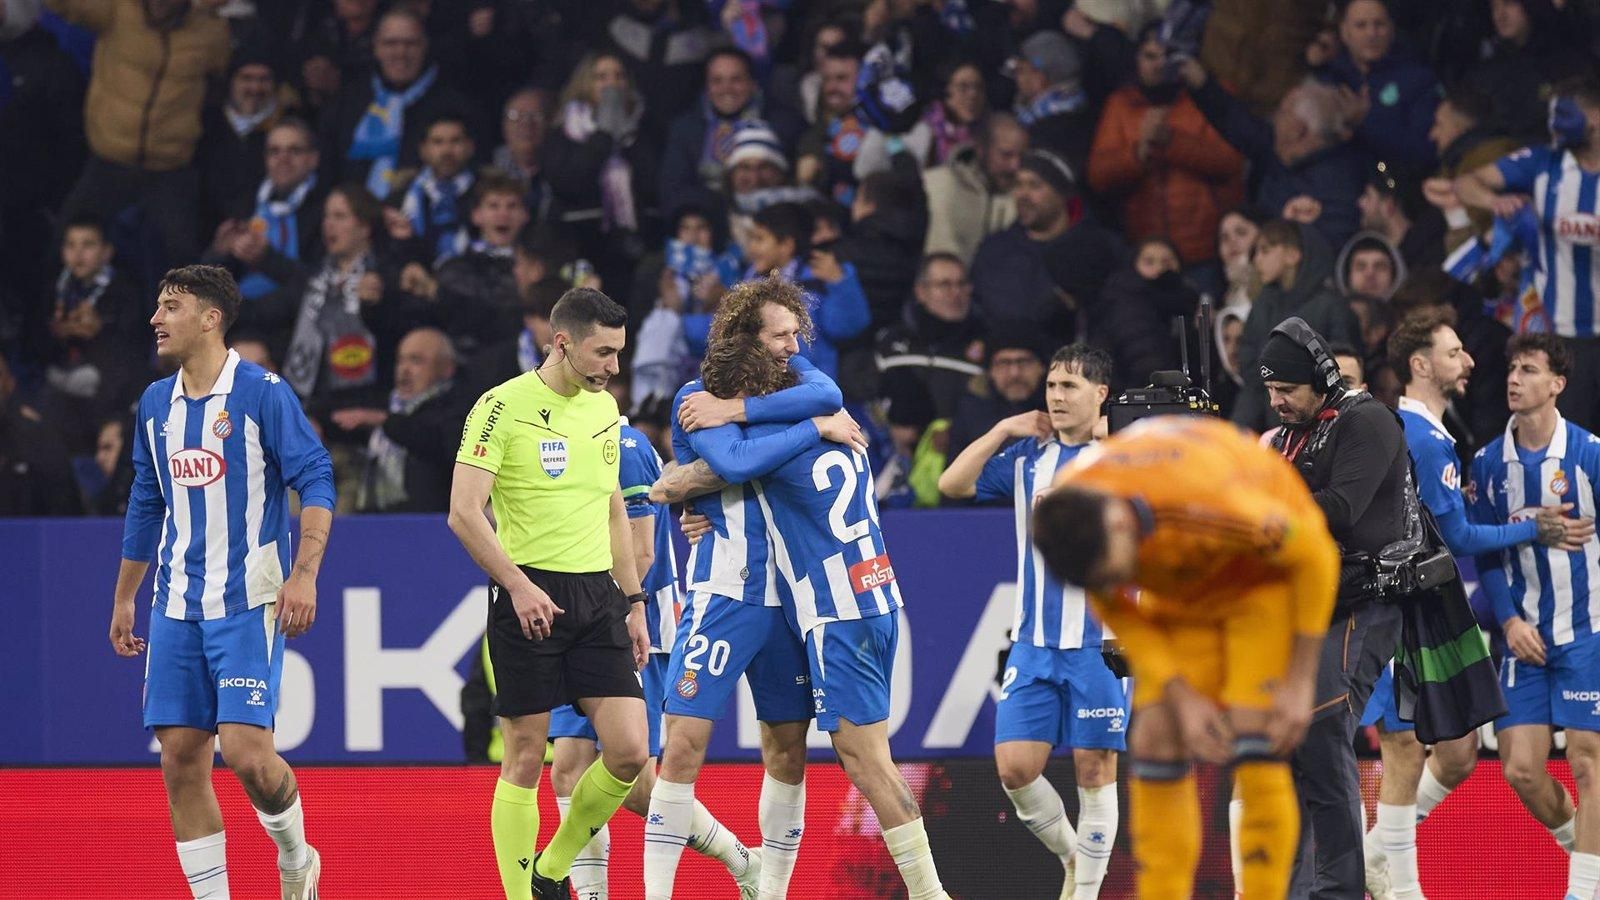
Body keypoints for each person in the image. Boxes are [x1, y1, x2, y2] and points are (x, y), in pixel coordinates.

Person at [662, 330, 955, 900]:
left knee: (866, 763)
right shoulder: (832, 413)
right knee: (860, 757)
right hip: (872, 593)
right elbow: (815, 398)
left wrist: (669, 488)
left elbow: (722, 465)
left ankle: (930, 895)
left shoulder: (777, 435)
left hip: (836, 608)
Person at [1031, 415, 1339, 900]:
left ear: (1120, 520)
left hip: (1257, 585)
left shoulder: (1212, 504)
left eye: (1121, 567)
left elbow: (1317, 558)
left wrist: (1301, 681)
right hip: (1177, 597)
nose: (1120, 577)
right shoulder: (1073, 510)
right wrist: (1180, 694)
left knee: (1255, 733)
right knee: (1156, 734)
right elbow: (1118, 607)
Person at [110, 265, 334, 900]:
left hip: (247, 601)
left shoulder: (262, 393)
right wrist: (127, 594)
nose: (156, 318)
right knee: (180, 755)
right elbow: (146, 500)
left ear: (210, 319)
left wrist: (305, 575)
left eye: (171, 305)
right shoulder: (155, 405)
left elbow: (315, 478)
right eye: (157, 305)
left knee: (246, 755)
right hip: (175, 603)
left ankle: (297, 856)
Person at [643, 276, 863, 900]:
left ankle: (771, 891)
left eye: (798, 333)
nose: (793, 347)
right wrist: (816, 430)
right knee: (683, 743)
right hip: (723, 593)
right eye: (780, 336)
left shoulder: (799, 386)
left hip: (792, 599)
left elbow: (832, 391)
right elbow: (737, 464)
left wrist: (741, 422)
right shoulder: (696, 396)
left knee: (787, 749)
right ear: (746, 339)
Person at [1361, 310, 1590, 900]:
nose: (1475, 364)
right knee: (1413, 746)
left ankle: (1372, 860)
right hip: (1414, 614)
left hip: (1497, 619)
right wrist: (1532, 533)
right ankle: (1382, 873)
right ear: (1422, 365)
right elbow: (1463, 540)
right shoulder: (1443, 446)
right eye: (1456, 352)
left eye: (1526, 367)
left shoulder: (1444, 437)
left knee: (1458, 749)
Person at [449, 287, 652, 900]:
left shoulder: (604, 409)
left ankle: (551, 869)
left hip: (599, 599)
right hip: (528, 595)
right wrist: (516, 585)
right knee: (525, 756)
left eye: (619, 353)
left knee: (628, 752)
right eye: (603, 353)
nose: (613, 367)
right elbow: (463, 512)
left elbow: (613, 509)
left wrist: (634, 600)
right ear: (561, 342)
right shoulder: (500, 407)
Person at [544, 415, 759, 900]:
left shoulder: (627, 445)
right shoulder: (552, 439)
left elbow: (641, 553)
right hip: (577, 625)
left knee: (639, 788)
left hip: (634, 627)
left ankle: (742, 860)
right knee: (568, 769)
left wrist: (614, 613)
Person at [937, 344, 1124, 899]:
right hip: (1033, 642)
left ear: (1102, 395)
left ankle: (1086, 892)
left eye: (1070, 386)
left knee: (1095, 771)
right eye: (1051, 386)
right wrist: (1002, 430)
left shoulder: (1127, 458)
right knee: (1016, 770)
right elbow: (952, 484)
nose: (1057, 397)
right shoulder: (1026, 461)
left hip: (1102, 642)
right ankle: (1074, 860)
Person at [1256, 318, 1413, 898]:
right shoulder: (1295, 432)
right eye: (1270, 391)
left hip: (1361, 605)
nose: (1276, 403)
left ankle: (1340, 890)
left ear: (1321, 378)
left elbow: (1342, 508)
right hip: (1306, 607)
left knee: (1322, 733)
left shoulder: (1367, 420)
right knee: (1291, 748)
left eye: (1287, 391)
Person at [1468, 332, 1600, 900]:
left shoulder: (1590, 455)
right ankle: (1587, 857)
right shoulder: (1486, 462)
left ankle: (1583, 890)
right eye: (1511, 369)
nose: (1514, 379)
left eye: (1528, 370)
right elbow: (1484, 551)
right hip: (1524, 636)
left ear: (1557, 384)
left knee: (1588, 761)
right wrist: (1509, 622)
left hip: (1588, 632)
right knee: (1521, 769)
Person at [1454, 78, 1600, 433]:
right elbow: (1466, 182)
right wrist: (1495, 202)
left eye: (1571, 111)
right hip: (1559, 334)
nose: (1558, 121)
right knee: (1561, 441)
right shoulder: (1541, 163)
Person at [49, 0, 231, 265]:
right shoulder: (116, 10)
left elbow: (227, 77)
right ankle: (57, 305)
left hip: (170, 168)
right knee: (65, 241)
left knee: (181, 260)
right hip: (111, 159)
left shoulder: (210, 31)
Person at [1088, 22, 1243, 268]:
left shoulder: (1211, 96)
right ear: (1136, 58)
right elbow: (1099, 176)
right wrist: (1138, 154)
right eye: (1150, 56)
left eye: (1168, 56)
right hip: (1147, 252)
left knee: (1203, 308)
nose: (1159, 65)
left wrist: (1172, 142)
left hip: (1205, 250)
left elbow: (1231, 161)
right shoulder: (1120, 104)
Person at [1179, 57, 1366, 248]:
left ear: (1298, 130)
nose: (1276, 117)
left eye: (1284, 112)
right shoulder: (1281, 155)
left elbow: (1331, 245)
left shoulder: (1336, 183)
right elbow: (1237, 123)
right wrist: (1201, 84)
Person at [320, 8, 476, 200]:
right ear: (375, 47)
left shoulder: (454, 106)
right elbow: (327, 172)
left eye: (410, 44)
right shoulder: (347, 102)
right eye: (390, 43)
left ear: (424, 46)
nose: (400, 53)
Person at [970, 148, 1120, 341]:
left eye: (1035, 185)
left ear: (1062, 193)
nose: (1023, 195)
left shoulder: (1098, 249)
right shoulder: (993, 251)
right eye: (1018, 184)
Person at [1230, 220, 1361, 431]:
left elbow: (1344, 370)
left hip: (1322, 427)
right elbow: (1252, 378)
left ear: (1292, 255)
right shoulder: (1262, 305)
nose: (1256, 259)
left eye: (1265, 250)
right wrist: (1240, 429)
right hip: (1270, 428)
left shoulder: (1332, 306)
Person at [334, 326, 470, 513]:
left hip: (426, 522)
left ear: (446, 368)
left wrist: (384, 421)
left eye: (416, 361)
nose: (404, 370)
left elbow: (434, 440)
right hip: (373, 519)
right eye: (400, 360)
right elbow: (340, 416)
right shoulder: (385, 403)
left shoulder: (457, 407)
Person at [874, 252, 986, 420]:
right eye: (945, 285)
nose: (956, 292)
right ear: (921, 292)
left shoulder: (987, 343)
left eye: (962, 284)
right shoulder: (890, 340)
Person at [921, 112, 1026, 265]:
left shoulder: (1026, 199)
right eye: (1006, 155)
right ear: (981, 149)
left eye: (1022, 156)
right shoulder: (936, 185)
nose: (1015, 166)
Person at [1009, 30, 1093, 179]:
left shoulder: (1054, 125)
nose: (1017, 78)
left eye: (1021, 70)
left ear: (1039, 77)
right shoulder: (1079, 107)